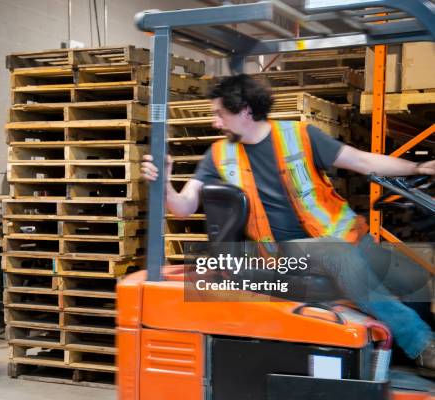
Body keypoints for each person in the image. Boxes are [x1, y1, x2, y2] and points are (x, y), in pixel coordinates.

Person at [141, 74, 435, 376]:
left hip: (346, 237)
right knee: (337, 254)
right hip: (284, 254)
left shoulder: (300, 135)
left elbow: (363, 161)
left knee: (412, 276)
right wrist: (165, 186)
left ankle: (397, 361)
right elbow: (184, 207)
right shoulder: (218, 155)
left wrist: (418, 168)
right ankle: (424, 346)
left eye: (220, 113)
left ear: (244, 110)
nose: (216, 122)